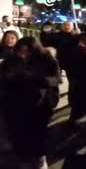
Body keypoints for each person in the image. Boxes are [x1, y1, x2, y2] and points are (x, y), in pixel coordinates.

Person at [0, 37, 61, 169]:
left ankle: (40, 159)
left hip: (39, 105)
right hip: (14, 104)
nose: (23, 54)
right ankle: (24, 159)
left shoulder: (47, 59)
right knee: (19, 134)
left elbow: (56, 79)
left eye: (27, 51)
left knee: (38, 134)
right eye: (20, 51)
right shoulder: (9, 61)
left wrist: (35, 78)